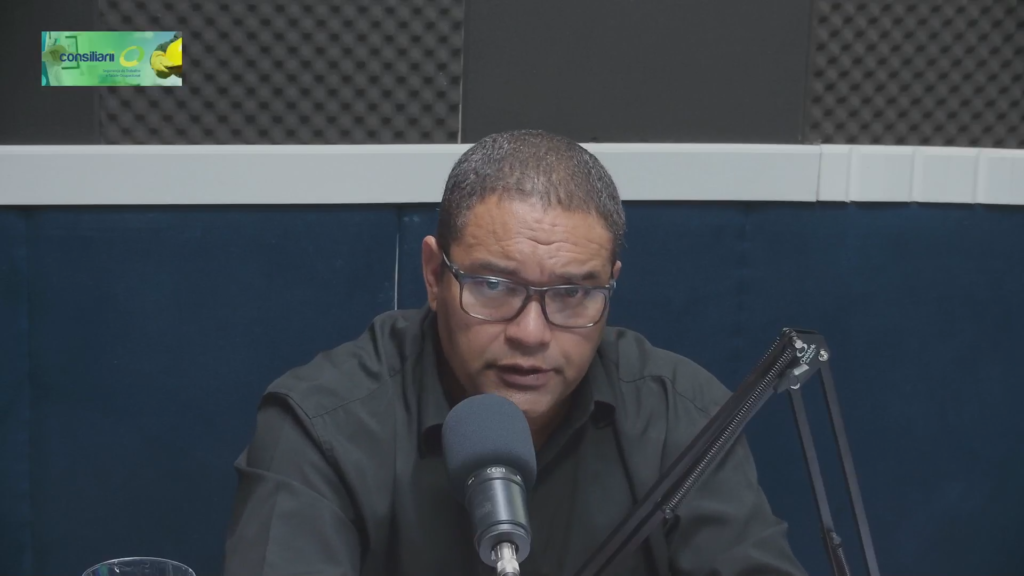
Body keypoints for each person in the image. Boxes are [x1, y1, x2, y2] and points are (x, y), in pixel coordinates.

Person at [223, 129, 807, 576]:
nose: (531, 333)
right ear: (434, 275)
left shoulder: (682, 418)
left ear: (609, 286)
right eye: (494, 286)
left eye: (572, 293)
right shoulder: (322, 427)